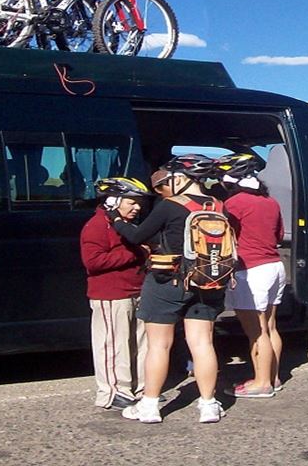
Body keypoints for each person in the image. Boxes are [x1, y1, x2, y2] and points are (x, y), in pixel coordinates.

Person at [109, 155, 227, 424]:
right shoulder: (218, 205)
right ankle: (208, 404)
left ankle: (149, 406)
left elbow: (138, 236)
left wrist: (116, 219)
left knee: (159, 345)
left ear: (180, 178)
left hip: (168, 280)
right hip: (207, 280)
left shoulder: (170, 205)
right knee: (203, 343)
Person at [217, 152, 286, 399]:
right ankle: (273, 377)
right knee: (270, 326)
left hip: (251, 269)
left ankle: (262, 383)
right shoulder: (270, 202)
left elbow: (222, 235)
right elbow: (278, 236)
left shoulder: (234, 203)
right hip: (274, 266)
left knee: (256, 332)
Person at [79, 177, 151, 410]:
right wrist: (137, 254)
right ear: (112, 201)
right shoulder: (97, 225)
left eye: (139, 203)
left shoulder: (130, 225)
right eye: (131, 202)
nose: (137, 208)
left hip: (136, 290)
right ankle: (112, 392)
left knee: (140, 344)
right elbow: (93, 261)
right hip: (110, 294)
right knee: (112, 345)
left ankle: (141, 388)